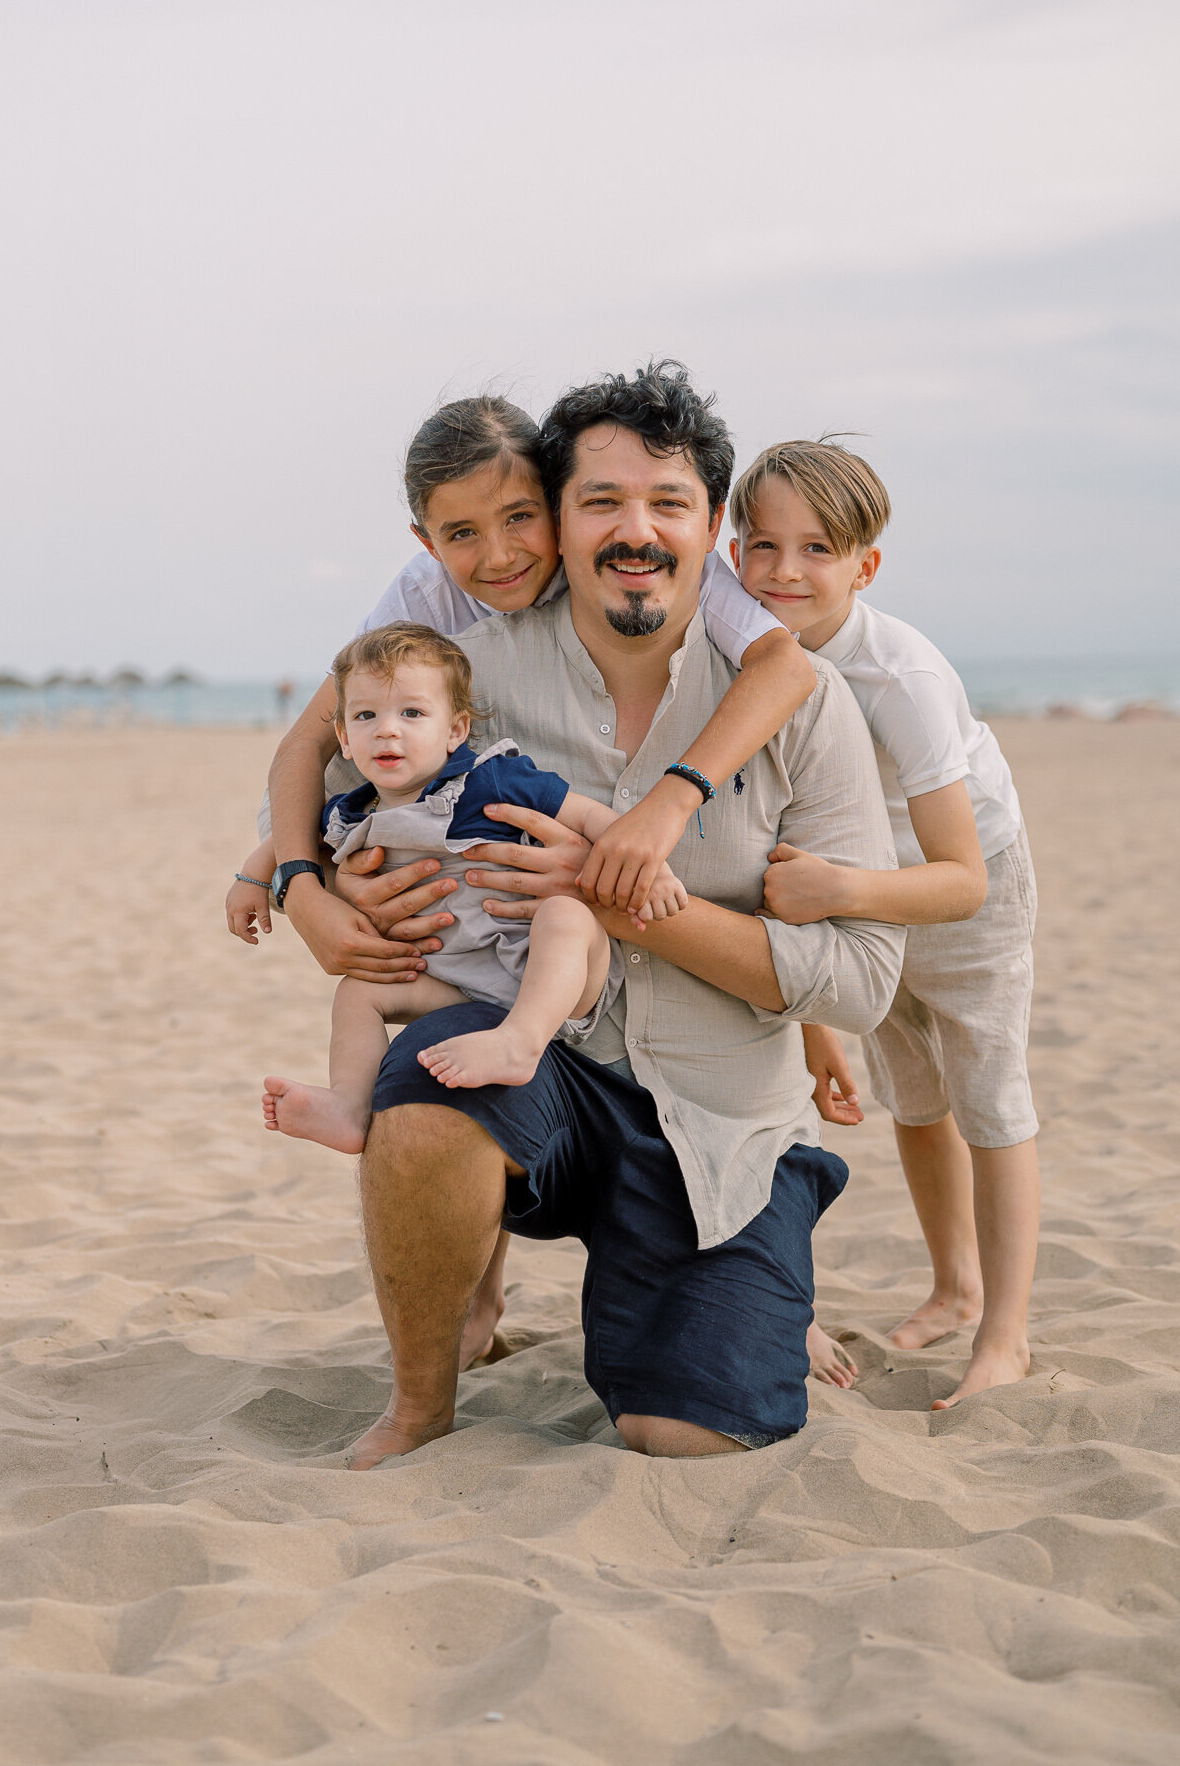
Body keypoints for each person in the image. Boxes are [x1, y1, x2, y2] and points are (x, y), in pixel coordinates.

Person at [320, 361, 904, 1469]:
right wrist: (319, 884)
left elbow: (862, 981)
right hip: (545, 1062)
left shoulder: (804, 704)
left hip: (723, 1120)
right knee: (425, 1087)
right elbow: (342, 777)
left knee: (685, 1430)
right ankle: (420, 1401)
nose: (633, 530)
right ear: (558, 516)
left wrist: (617, 895)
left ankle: (742, 1295)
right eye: (599, 501)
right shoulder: (463, 677)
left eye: (666, 503)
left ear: (711, 525)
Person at [225, 390, 814, 1369]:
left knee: (540, 972)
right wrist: (300, 887)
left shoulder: (657, 571)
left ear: (552, 498)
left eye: (518, 519)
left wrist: (661, 809)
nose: (499, 553)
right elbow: (318, 747)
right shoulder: (426, 600)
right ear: (425, 538)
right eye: (462, 533)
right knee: (436, 1045)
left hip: (602, 944)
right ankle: (469, 1298)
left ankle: (737, 1282)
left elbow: (783, 665)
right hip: (467, 918)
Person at [728, 438, 1038, 1410]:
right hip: (846, 886)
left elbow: (959, 881)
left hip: (953, 881)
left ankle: (1004, 1331)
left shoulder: (894, 672)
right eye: (762, 544)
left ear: (862, 565)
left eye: (816, 548)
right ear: (732, 551)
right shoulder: (745, 654)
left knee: (987, 1096)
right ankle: (952, 1287)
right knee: (913, 1092)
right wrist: (821, 1015)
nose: (785, 570)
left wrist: (840, 893)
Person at [248, 620, 684, 1153]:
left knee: (566, 916)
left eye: (412, 713)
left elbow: (589, 814)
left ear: (454, 730)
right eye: (366, 716)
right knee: (357, 993)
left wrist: (649, 864)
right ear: (343, 737)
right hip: (452, 982)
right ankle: (349, 1106)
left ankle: (520, 1043)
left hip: (542, 971)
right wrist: (251, 878)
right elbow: (289, 841)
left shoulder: (487, 778)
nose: (387, 730)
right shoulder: (350, 810)